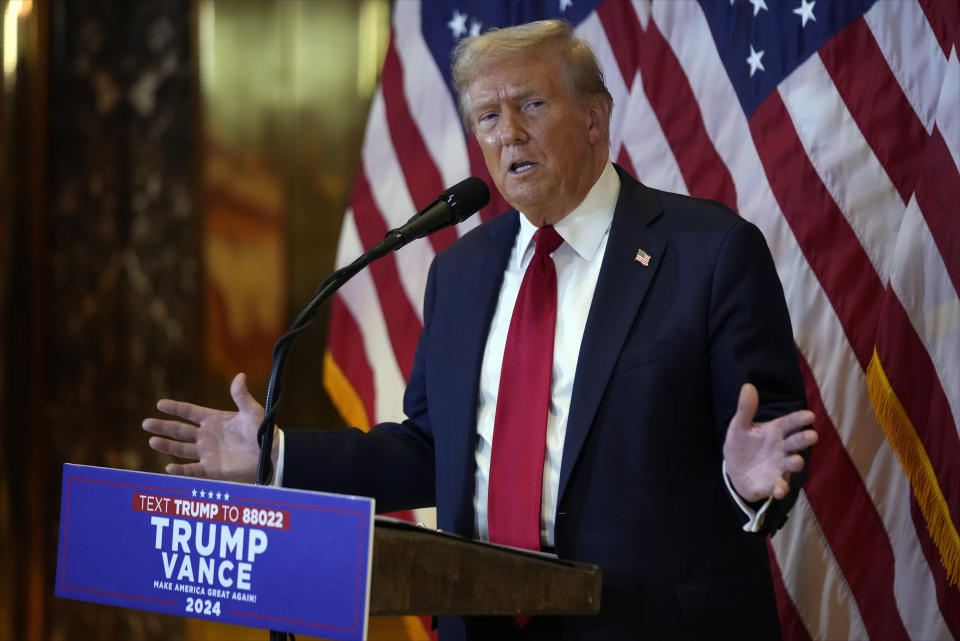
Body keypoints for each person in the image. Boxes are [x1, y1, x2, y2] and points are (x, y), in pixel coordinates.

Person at [144, 20, 818, 641]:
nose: (507, 134)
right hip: (484, 622)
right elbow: (430, 453)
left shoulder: (708, 251)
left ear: (594, 118)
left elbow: (767, 434)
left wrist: (747, 481)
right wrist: (278, 455)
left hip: (652, 623)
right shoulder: (461, 273)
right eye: (488, 117)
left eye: (531, 105)